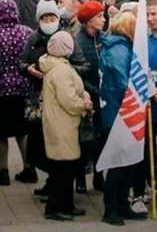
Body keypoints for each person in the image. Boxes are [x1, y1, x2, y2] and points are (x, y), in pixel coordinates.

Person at [97, 12, 147, 226]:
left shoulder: (120, 48)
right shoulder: (118, 51)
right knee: (119, 163)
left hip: (121, 111)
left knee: (128, 161)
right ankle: (111, 208)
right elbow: (122, 84)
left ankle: (122, 204)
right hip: (119, 113)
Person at [40, 31, 91, 221]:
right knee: (65, 169)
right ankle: (55, 208)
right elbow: (68, 99)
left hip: (61, 123)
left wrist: (82, 96)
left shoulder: (56, 66)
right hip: (64, 124)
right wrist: (84, 105)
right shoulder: (61, 70)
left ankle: (67, 204)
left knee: (65, 167)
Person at [0, 0, 34, 187]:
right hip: (22, 88)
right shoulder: (27, 32)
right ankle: (29, 168)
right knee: (22, 131)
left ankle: (3, 172)